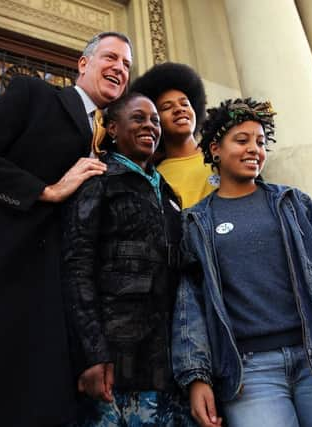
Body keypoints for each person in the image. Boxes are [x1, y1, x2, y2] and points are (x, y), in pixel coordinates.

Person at [0, 31, 132, 427]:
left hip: (63, 303)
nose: (119, 69)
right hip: (5, 282)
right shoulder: (35, 96)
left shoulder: (113, 142)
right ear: (83, 63)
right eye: (111, 57)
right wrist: (45, 191)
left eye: (127, 65)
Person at [172, 98, 312, 427]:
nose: (254, 149)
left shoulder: (295, 204)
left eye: (261, 142)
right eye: (242, 140)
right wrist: (196, 375)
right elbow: (189, 305)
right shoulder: (196, 222)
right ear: (215, 150)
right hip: (250, 373)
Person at [62, 93, 194, 426]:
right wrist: (92, 354)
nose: (150, 126)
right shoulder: (97, 181)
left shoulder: (168, 192)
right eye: (138, 118)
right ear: (112, 128)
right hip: (114, 365)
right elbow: (77, 267)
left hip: (170, 363)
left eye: (153, 120)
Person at [130, 62, 218, 208]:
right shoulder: (155, 179)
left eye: (184, 104)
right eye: (167, 107)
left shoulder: (221, 156)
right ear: (154, 120)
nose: (179, 109)